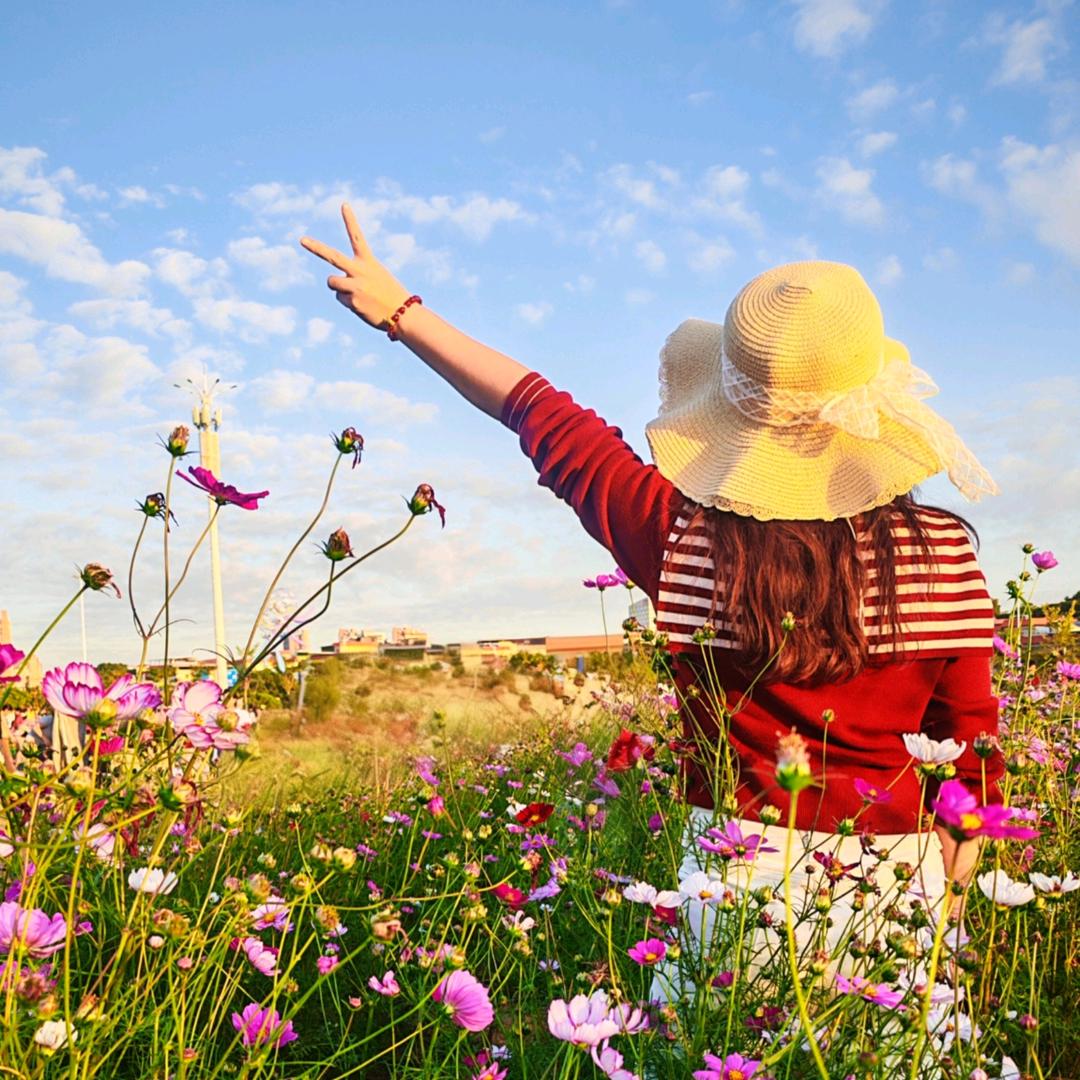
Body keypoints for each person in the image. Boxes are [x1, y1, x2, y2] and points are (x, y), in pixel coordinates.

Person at [300, 206, 1004, 958]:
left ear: (733, 410)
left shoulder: (682, 540)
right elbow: (972, 759)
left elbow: (538, 411)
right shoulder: (942, 555)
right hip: (894, 896)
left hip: (729, 885)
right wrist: (947, 905)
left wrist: (404, 315)